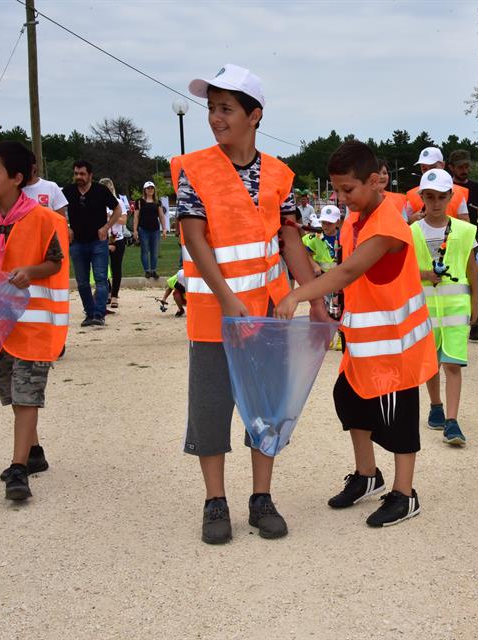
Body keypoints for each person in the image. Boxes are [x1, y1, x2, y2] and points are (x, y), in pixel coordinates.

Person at [171, 63, 327, 545]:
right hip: (214, 313)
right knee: (212, 406)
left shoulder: (279, 175)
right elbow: (195, 240)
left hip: (269, 312)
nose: (215, 118)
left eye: (225, 108)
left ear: (254, 115)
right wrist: (227, 299)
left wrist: (314, 297)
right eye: (211, 108)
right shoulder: (193, 171)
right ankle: (215, 501)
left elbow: (290, 241)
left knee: (267, 407)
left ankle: (262, 499)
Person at [275, 139, 437, 528]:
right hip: (364, 341)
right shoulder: (355, 217)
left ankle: (405, 493)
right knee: (348, 402)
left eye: (348, 189)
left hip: (395, 344)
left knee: (398, 419)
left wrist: (298, 294)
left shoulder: (388, 227)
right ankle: (368, 477)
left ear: (376, 182)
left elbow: (347, 272)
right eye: (337, 189)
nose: (341, 198)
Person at [0, 140, 69, 502]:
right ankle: (35, 451)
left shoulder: (44, 219)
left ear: (17, 177)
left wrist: (31, 271)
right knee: (12, 394)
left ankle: (18, 468)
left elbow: (55, 262)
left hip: (34, 326)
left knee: (27, 395)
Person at [409, 169, 478, 447]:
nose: (436, 203)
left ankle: (452, 421)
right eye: (430, 197)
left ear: (451, 196)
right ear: (421, 198)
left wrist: (476, 302)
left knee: (452, 363)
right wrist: (425, 274)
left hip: (455, 308)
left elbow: (472, 268)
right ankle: (435, 405)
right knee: (430, 365)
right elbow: (404, 272)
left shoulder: (464, 231)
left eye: (441, 197)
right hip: (424, 310)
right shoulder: (412, 232)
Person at [62, 160, 123, 327]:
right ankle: (89, 313)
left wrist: (106, 227)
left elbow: (117, 209)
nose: (78, 177)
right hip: (77, 243)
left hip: (98, 241)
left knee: (101, 279)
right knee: (82, 282)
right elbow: (57, 210)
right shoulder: (68, 191)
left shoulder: (100, 190)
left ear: (90, 175)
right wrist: (66, 227)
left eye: (82, 174)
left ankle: (99, 314)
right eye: (76, 173)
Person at [446, 149, 478, 341]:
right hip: (447, 239)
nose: (465, 170)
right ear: (451, 168)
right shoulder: (446, 186)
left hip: (471, 240)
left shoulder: (477, 187)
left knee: (474, 279)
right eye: (461, 167)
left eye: (467, 166)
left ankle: (477, 323)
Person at [404, 147, 469, 223]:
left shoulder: (458, 192)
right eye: (424, 169)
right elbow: (404, 222)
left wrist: (443, 225)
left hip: (451, 234)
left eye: (433, 167)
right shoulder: (413, 194)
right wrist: (412, 219)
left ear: (442, 165)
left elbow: (465, 221)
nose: (429, 172)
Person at [99, 178, 127, 310]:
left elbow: (123, 221)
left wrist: (112, 216)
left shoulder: (119, 202)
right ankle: (108, 292)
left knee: (116, 268)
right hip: (102, 239)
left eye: (108, 189)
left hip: (118, 239)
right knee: (102, 269)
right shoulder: (98, 202)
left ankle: (115, 295)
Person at [133, 181, 166, 279]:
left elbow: (161, 216)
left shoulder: (157, 202)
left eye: (152, 188)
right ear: (144, 190)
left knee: (154, 251)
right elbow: (136, 216)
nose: (150, 190)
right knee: (145, 251)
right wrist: (135, 230)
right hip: (143, 229)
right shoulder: (139, 201)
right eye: (148, 188)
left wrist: (164, 229)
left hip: (155, 230)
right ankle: (147, 270)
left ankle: (153, 270)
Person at [22, 151, 68, 217]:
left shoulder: (52, 187)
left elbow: (61, 219)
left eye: (25, 166)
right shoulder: (15, 190)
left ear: (34, 166)